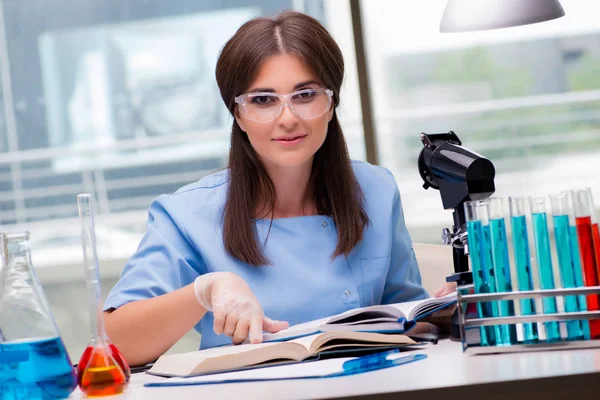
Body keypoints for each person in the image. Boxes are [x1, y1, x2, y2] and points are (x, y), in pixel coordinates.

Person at [103, 10, 455, 367]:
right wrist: (203, 291)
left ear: (331, 103)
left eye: (305, 94)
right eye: (263, 100)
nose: (287, 118)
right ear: (237, 114)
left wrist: (451, 309)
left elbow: (411, 322)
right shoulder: (186, 215)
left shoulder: (376, 190)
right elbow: (114, 345)